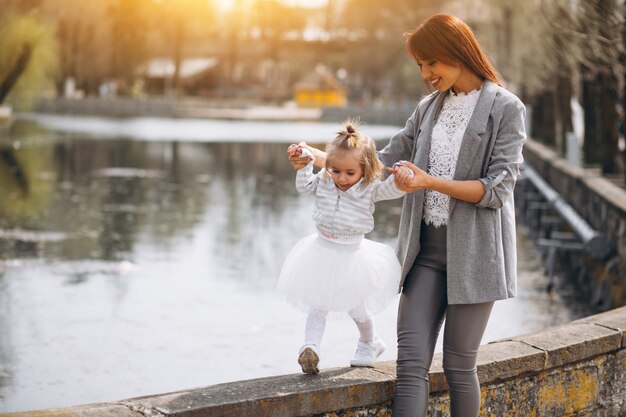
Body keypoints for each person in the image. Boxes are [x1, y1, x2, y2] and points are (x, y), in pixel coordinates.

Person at [288, 14, 526, 417]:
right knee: (410, 365)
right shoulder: (427, 109)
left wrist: (430, 182)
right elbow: (377, 163)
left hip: (476, 258)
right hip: (424, 257)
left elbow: (496, 191)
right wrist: (319, 158)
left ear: (458, 52)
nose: (426, 74)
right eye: (420, 66)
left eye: (431, 63)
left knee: (458, 367)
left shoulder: (505, 108)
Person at [277, 121, 408, 375]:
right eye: (336, 170)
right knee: (317, 304)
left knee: (357, 308)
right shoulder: (325, 180)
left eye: (349, 173)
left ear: (364, 170)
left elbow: (391, 190)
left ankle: (371, 342)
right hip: (320, 251)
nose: (342, 178)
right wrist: (304, 165)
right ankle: (310, 347)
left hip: (353, 257)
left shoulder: (369, 188)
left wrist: (402, 181)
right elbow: (304, 186)